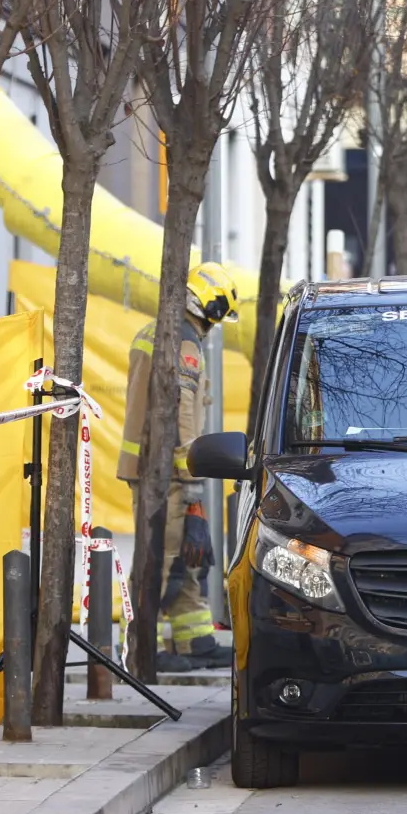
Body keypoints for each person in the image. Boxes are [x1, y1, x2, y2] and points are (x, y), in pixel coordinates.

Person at [117, 262, 240, 671]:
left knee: (185, 557)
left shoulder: (154, 331)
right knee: (163, 560)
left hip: (154, 468)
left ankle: (196, 641)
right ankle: (144, 653)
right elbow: (182, 414)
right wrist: (191, 481)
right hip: (167, 474)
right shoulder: (184, 343)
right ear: (210, 306)